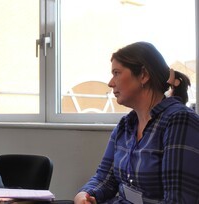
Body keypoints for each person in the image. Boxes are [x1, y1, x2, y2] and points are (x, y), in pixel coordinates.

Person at [74, 42, 199, 203]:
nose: (111, 83)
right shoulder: (125, 125)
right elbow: (104, 178)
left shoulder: (179, 121)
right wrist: (84, 195)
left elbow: (177, 200)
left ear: (143, 75)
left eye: (117, 73)